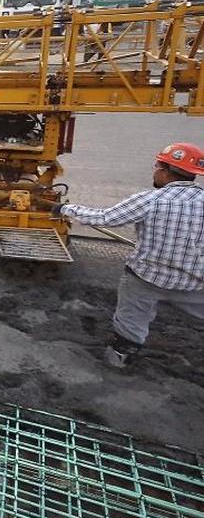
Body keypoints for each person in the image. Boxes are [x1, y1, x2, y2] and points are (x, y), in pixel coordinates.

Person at [53, 142, 204, 368]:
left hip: (146, 279)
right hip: (194, 284)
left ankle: (119, 359)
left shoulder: (151, 200)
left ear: (164, 169)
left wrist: (65, 209)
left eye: (157, 166)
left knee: (131, 322)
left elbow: (105, 218)